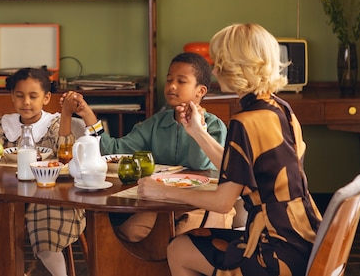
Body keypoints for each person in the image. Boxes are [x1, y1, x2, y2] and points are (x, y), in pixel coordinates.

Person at [138, 23, 323, 276]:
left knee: (179, 249)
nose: (214, 70)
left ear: (237, 66)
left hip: (274, 252)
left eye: (219, 62)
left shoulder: (244, 121)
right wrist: (197, 132)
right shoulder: (281, 109)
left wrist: (163, 192)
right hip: (304, 239)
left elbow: (222, 203)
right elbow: (242, 171)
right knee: (188, 242)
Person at [62, 52, 229, 239]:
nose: (171, 86)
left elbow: (200, 165)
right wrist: (87, 114)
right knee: (131, 234)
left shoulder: (214, 126)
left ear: (201, 91)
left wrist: (198, 128)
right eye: (169, 79)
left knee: (186, 240)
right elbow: (115, 151)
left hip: (203, 205)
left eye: (181, 81)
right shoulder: (156, 123)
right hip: (163, 204)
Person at [0, 67, 85, 276]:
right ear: (12, 97)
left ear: (46, 98)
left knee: (44, 217)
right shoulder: (6, 123)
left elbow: (65, 153)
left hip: (48, 195)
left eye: (33, 96)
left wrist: (66, 114)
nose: (26, 102)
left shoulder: (53, 123)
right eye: (19, 96)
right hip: (8, 195)